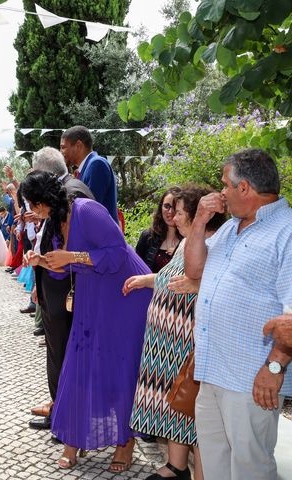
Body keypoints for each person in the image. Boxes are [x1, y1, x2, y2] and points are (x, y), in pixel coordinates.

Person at [21, 171, 152, 473]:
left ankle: (125, 441)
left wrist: (73, 257)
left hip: (123, 293)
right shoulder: (53, 222)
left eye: (32, 203)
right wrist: (42, 261)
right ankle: (73, 439)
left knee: (120, 366)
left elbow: (117, 253)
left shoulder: (86, 210)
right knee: (78, 363)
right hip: (92, 295)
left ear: (43, 199)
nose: (31, 209)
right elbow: (61, 268)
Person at [184, 149, 292, 480]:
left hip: (252, 379)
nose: (220, 193)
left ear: (243, 188)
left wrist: (274, 368)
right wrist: (200, 222)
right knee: (215, 467)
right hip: (212, 370)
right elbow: (194, 269)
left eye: (225, 186)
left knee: (250, 469)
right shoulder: (232, 228)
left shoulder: (286, 232)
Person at [124, 185, 226, 480]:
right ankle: (175, 465)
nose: (174, 217)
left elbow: (215, 285)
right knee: (173, 407)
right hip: (165, 341)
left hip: (184, 342)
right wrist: (146, 280)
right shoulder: (186, 242)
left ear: (198, 215)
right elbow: (173, 281)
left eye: (180, 211)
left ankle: (195, 473)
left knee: (188, 408)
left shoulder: (213, 242)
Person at [26, 147, 93, 431]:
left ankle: (65, 417)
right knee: (59, 354)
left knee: (64, 356)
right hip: (56, 286)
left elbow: (77, 250)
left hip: (66, 290)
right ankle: (60, 409)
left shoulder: (73, 196)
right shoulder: (65, 192)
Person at [60, 126, 118, 222]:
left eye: (63, 147)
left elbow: (89, 208)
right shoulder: (87, 167)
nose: (61, 152)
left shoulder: (97, 164)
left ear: (78, 145)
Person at [136, 188, 183, 272]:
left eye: (175, 207)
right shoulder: (147, 237)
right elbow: (136, 269)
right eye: (167, 206)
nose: (170, 211)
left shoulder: (188, 240)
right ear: (160, 207)